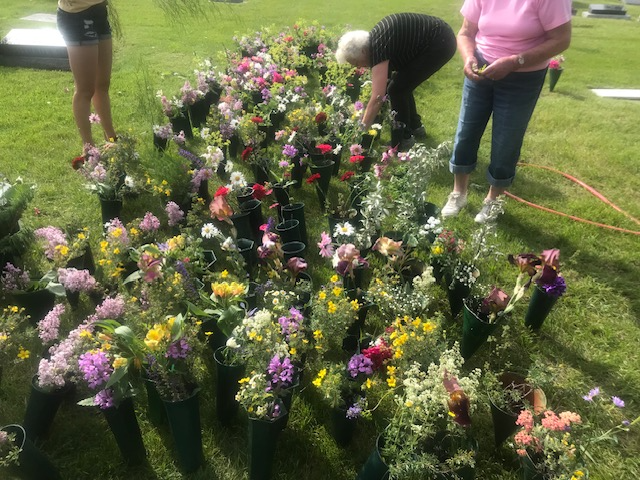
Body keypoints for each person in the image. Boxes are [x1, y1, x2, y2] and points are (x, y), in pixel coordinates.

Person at [442, 0, 572, 223]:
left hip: (523, 76)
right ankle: (458, 193)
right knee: (466, 132)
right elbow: (466, 32)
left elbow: (561, 39)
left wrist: (515, 61)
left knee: (506, 139)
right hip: (480, 68)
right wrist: (468, 58)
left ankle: (493, 200)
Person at [335, 13, 456, 151]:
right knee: (400, 84)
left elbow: (377, 98)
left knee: (397, 89)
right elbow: (383, 88)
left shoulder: (378, 47)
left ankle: (403, 140)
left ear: (363, 51)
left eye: (356, 62)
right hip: (438, 37)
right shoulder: (376, 41)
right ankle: (416, 127)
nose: (358, 67)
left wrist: (360, 132)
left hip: (440, 42)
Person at [57, 0, 117, 151]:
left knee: (102, 85)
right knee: (85, 90)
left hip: (99, 11)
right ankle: (89, 149)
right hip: (77, 15)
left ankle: (111, 140)